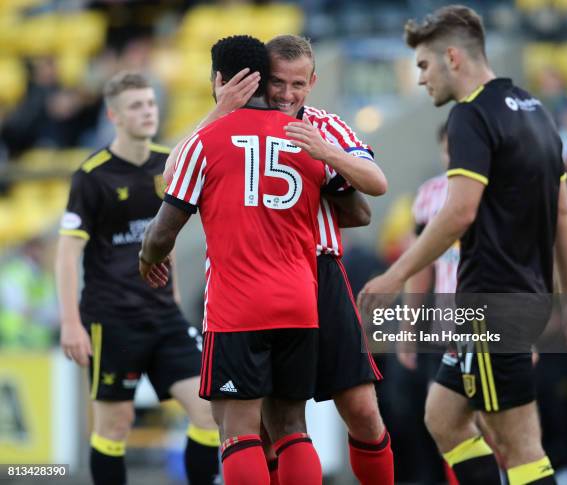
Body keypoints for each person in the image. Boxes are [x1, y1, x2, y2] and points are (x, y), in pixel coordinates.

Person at [358, 5, 567, 485]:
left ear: (452, 57)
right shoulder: (536, 113)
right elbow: (563, 214)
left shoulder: (471, 115)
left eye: (424, 66)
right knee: (443, 418)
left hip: (491, 304)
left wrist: (394, 275)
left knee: (519, 445)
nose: (422, 79)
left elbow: (459, 211)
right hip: (516, 300)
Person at [163, 34, 394, 485]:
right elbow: (174, 175)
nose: (286, 95)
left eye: (297, 85)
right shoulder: (226, 127)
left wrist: (326, 155)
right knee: (274, 427)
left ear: (313, 82)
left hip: (319, 272)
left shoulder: (326, 126)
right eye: (276, 83)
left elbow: (369, 193)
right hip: (255, 276)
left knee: (361, 410)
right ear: (256, 81)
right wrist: (220, 109)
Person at [140, 35, 326, 485]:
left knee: (237, 432)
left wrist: (149, 258)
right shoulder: (306, 137)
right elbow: (356, 209)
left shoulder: (206, 141)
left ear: (219, 80)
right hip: (301, 303)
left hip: (238, 308)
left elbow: (163, 231)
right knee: (291, 429)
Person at [55, 71, 219, 485]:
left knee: (208, 411)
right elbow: (67, 256)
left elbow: (168, 240)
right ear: (114, 115)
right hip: (112, 320)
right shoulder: (92, 176)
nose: (147, 112)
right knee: (115, 425)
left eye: (150, 104)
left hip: (164, 317)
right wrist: (72, 324)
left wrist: (177, 301)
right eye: (136, 106)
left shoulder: (168, 165)